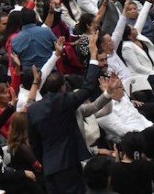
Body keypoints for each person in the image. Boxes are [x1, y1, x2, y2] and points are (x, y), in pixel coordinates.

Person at [27, 31, 101, 194]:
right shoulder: (65, 101)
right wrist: (93, 55)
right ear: (63, 87)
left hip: (49, 166)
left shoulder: (33, 110)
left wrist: (43, 160)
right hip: (68, 163)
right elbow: (88, 87)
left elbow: (34, 143)